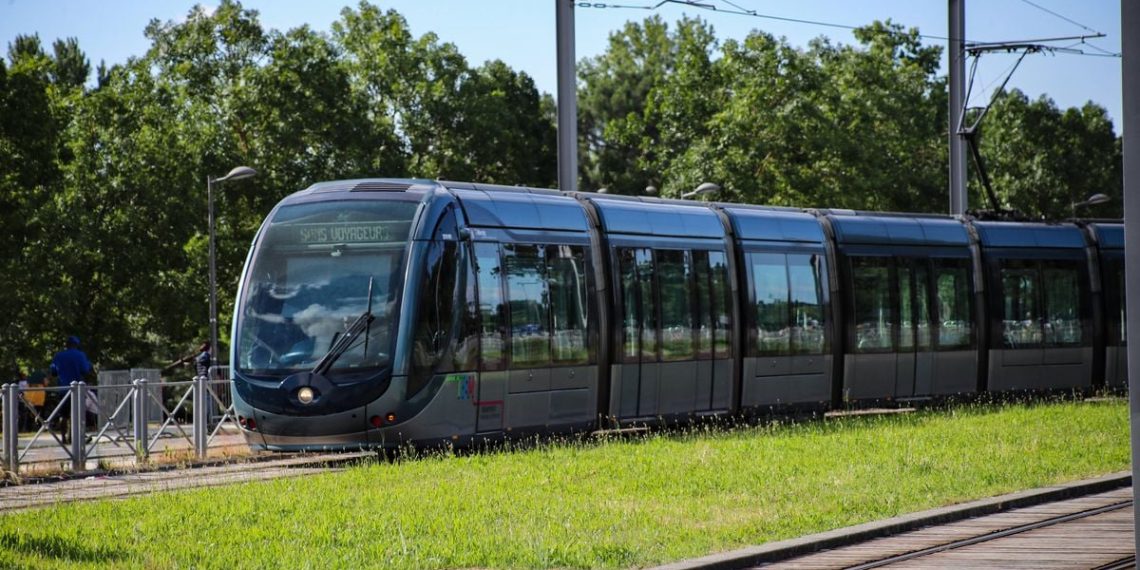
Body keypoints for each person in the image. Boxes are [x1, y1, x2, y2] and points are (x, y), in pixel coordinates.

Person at [49, 335, 93, 443]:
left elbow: (53, 372)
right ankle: (76, 437)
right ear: (76, 345)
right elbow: (86, 370)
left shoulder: (58, 356)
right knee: (77, 414)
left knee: (63, 415)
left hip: (63, 389)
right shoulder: (80, 355)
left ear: (66, 345)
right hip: (77, 389)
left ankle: (64, 438)